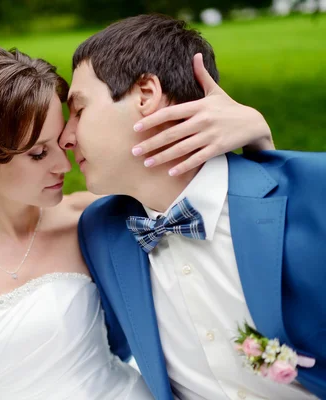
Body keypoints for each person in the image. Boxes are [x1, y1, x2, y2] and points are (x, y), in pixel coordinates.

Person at [0, 40, 274, 399]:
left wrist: (257, 135)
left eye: (60, 139)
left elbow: (204, 204)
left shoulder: (93, 217)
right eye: (37, 154)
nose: (63, 165)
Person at [63, 14, 325, 400]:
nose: (67, 138)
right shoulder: (101, 231)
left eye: (79, 110)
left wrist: (262, 141)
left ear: (145, 94)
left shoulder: (313, 190)